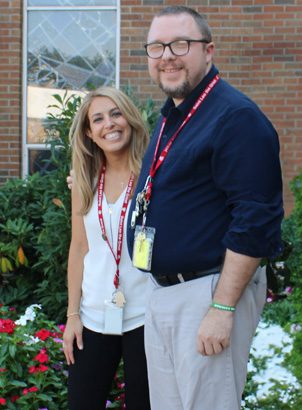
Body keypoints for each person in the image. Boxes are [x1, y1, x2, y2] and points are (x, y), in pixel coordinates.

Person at [127, 6, 284, 410]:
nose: (167, 56)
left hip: (207, 294)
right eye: (156, 47)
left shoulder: (236, 118)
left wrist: (221, 307)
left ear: (208, 50)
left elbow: (256, 219)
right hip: (164, 293)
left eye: (180, 44)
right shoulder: (172, 117)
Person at [63, 87, 151, 410]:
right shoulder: (84, 182)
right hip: (94, 318)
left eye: (116, 113)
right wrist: (73, 315)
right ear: (89, 132)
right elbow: (79, 248)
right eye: (98, 119)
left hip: (146, 317)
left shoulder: (152, 175)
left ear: (129, 118)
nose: (109, 124)